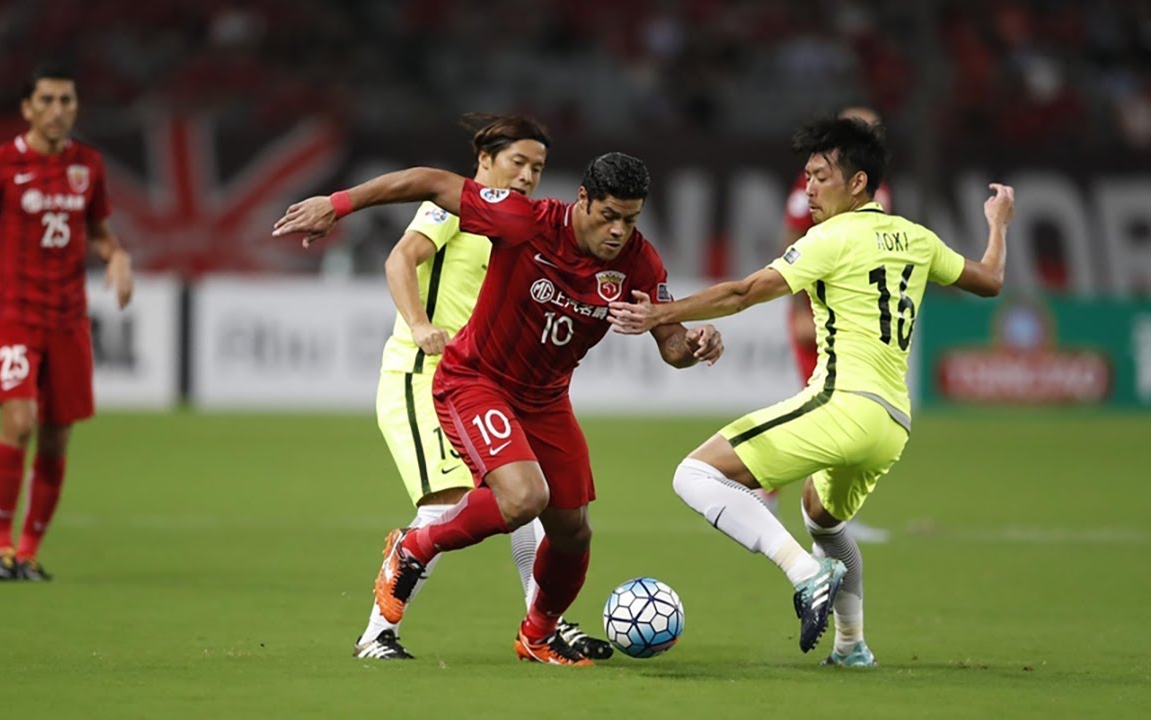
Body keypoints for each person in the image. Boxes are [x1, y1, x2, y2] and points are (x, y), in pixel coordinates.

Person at [275, 153, 723, 666]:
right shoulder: (524, 220)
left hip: (547, 399)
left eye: (631, 218)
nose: (619, 230)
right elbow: (428, 181)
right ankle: (414, 547)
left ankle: (537, 635)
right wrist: (338, 204)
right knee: (523, 497)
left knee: (573, 533)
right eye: (609, 216)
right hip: (476, 381)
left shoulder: (639, 263)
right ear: (583, 200)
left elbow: (670, 344)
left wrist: (695, 344)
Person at [608, 115, 1014, 666]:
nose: (809, 188)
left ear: (859, 183)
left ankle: (804, 574)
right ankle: (851, 646)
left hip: (841, 403)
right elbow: (989, 281)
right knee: (823, 516)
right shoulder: (916, 237)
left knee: (694, 474)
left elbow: (745, 292)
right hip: (893, 423)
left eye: (821, 175)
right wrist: (998, 223)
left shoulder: (831, 238)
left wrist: (663, 310)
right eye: (806, 176)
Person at [355, 113, 609, 661]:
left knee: (525, 498)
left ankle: (544, 627)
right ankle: (376, 634)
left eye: (537, 167)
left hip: (484, 385)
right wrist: (421, 325)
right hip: (419, 377)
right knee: (448, 502)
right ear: (485, 161)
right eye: (517, 162)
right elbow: (400, 258)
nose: (526, 176)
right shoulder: (454, 208)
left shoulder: (518, 223)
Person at [0, 64, 133, 582]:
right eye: (47, 100)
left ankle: (27, 551)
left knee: (55, 439)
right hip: (15, 316)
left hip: (68, 321)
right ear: (27, 108)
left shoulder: (87, 165)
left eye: (67, 100)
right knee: (20, 422)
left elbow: (99, 232)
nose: (58, 110)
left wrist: (116, 257)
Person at [768, 106, 892, 545]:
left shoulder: (875, 189)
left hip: (851, 312)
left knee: (832, 407)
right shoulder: (815, 189)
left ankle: (821, 505)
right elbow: (790, 241)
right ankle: (777, 490)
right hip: (819, 310)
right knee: (825, 406)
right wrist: (800, 306)